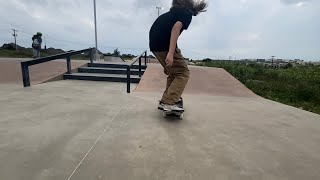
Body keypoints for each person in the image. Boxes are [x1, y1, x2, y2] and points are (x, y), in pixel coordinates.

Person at [149, 0, 208, 111]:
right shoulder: (187, 13)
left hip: (154, 45)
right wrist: (171, 54)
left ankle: (166, 99)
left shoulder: (173, 13)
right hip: (163, 45)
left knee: (174, 72)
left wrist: (167, 64)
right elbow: (175, 29)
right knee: (183, 73)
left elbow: (165, 31)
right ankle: (169, 101)